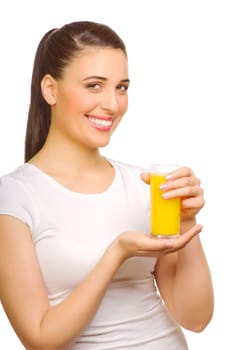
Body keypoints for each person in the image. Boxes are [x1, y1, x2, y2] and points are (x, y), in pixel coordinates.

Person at [0, 21, 214, 350]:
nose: (113, 105)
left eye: (122, 87)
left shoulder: (144, 186)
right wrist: (117, 254)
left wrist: (186, 218)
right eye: (94, 85)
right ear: (50, 89)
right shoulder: (15, 197)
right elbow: (40, 339)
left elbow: (195, 318)